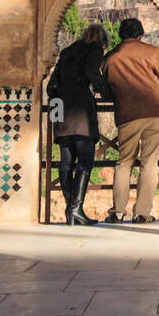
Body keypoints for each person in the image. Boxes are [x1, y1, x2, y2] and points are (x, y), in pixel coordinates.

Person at [104, 18, 159, 224]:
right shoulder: (152, 52)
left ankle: (118, 212)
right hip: (155, 112)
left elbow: (106, 88)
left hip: (128, 115)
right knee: (149, 163)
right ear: (140, 35)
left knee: (124, 163)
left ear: (121, 35)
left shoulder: (110, 59)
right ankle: (142, 213)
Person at [46, 24, 111, 226]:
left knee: (66, 161)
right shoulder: (95, 50)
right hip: (81, 110)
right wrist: (108, 93)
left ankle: (70, 211)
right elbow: (92, 73)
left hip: (62, 109)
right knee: (85, 159)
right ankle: (76, 209)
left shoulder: (67, 53)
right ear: (102, 40)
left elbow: (50, 88)